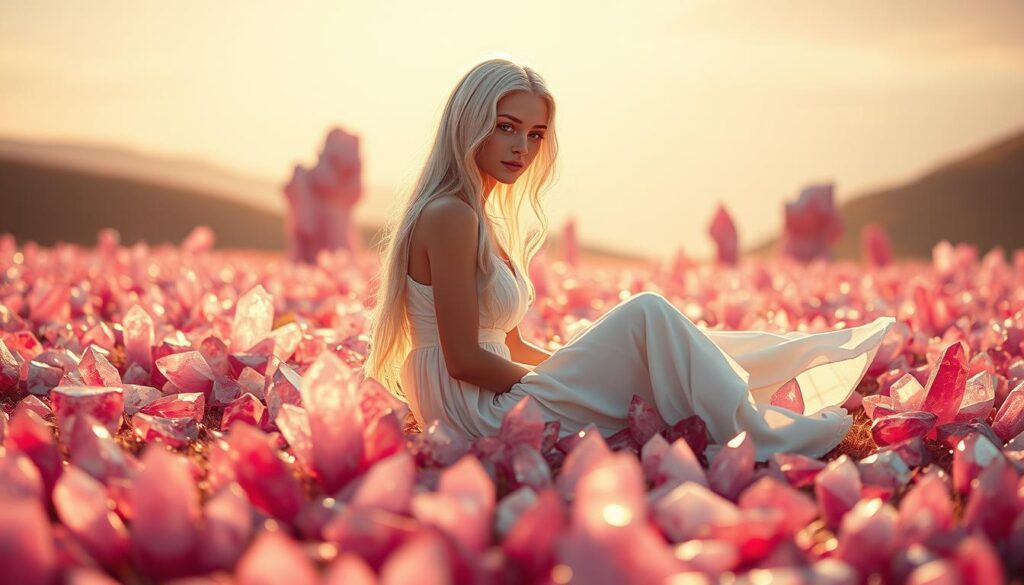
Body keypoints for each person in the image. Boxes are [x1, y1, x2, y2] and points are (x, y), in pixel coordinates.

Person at [363, 58, 896, 460]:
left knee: (655, 341)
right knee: (647, 315)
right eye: (505, 127)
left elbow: (512, 343)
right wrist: (561, 382)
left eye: (534, 134)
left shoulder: (477, 216)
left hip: (490, 390)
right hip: (477, 409)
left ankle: (771, 388)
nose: (521, 148)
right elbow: (463, 359)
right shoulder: (449, 216)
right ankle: (758, 424)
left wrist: (574, 369)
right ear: (468, 123)